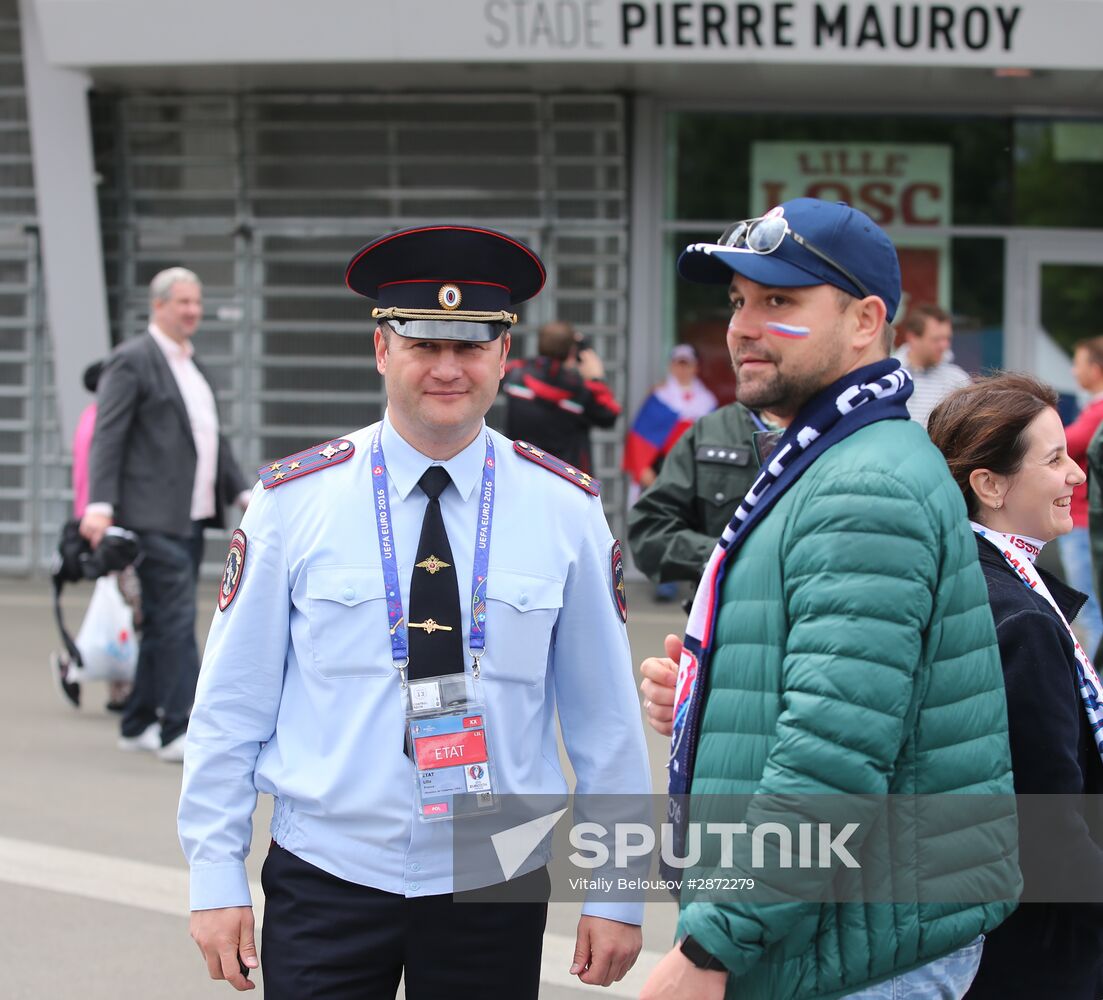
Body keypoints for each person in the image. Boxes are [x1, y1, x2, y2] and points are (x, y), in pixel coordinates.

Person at [179, 225, 650, 998]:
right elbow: (231, 706)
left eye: (469, 347)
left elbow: (604, 722)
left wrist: (616, 887)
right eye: (423, 344)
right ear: (381, 351)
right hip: (329, 865)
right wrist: (214, 873)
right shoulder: (292, 504)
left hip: (496, 867)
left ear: (503, 355)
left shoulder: (564, 509)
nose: (446, 369)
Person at [636, 198, 1018, 1000]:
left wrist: (711, 948)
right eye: (738, 301)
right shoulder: (830, 454)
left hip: (847, 948)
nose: (742, 325)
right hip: (825, 928)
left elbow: (832, 753)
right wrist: (716, 689)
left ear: (864, 320)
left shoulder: (864, 481)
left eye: (779, 301)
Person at [928, 373, 1103, 999]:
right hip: (1032, 953)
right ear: (990, 484)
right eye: (1055, 460)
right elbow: (1045, 828)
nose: (1076, 477)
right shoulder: (1019, 619)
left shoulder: (959, 575)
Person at [80, 268, 250, 762]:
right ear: (158, 306)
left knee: (159, 621)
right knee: (176, 619)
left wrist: (243, 491)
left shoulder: (193, 366)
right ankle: (180, 726)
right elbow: (107, 435)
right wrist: (100, 506)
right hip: (150, 515)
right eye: (182, 302)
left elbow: (210, 439)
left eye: (197, 302)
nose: (192, 311)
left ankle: (137, 724)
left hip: (191, 515)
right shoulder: (132, 360)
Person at [52, 358, 136, 712]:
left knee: (118, 604)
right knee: (129, 603)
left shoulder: (89, 418)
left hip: (92, 522)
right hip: (112, 524)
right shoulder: (108, 422)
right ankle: (78, 669)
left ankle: (122, 689)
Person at [502, 319, 620, 474]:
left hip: (521, 470)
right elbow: (609, 414)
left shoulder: (515, 374)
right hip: (566, 478)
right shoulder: (580, 391)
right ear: (572, 352)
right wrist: (596, 379)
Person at [622, 343, 718, 492]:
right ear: (671, 366)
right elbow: (639, 435)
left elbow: (713, 438)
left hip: (694, 468)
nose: (682, 370)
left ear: (696, 367)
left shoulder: (707, 401)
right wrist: (643, 467)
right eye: (678, 364)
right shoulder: (660, 397)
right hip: (660, 468)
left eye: (687, 365)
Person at [1060, 335, 1103, 655]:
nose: (1074, 371)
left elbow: (1064, 444)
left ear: (1096, 368)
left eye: (1077, 363)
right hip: (1085, 523)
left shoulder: (1098, 411)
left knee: (1089, 608)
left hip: (1085, 523)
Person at [893, 303, 970, 428]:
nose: (944, 345)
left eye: (947, 338)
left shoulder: (959, 380)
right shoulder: (889, 376)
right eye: (936, 339)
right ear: (912, 338)